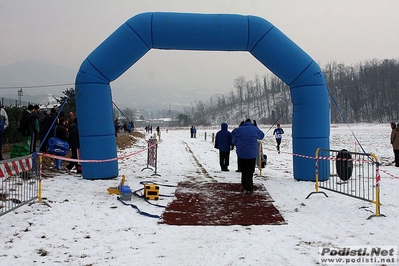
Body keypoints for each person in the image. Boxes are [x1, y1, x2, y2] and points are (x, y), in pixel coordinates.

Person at [231, 119, 265, 195]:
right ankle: (249, 187)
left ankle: (243, 184)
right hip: (251, 154)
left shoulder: (240, 129)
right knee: (250, 171)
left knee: (243, 170)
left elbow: (233, 133)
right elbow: (261, 136)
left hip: (241, 153)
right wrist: (256, 127)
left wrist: (239, 127)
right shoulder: (254, 129)